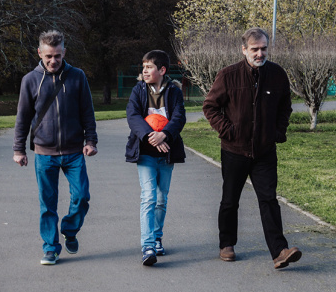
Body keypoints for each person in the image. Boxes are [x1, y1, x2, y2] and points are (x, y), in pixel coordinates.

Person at [202, 27, 302, 269]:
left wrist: (277, 133)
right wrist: (229, 131)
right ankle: (226, 244)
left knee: (268, 199)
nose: (260, 53)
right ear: (244, 49)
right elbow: (210, 107)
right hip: (234, 150)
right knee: (230, 200)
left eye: (264, 48)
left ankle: (279, 251)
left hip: (265, 151)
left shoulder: (277, 74)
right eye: (255, 49)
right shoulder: (228, 75)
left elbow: (284, 107)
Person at [12, 30, 98, 265]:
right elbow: (22, 118)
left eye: (57, 56)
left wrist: (91, 141)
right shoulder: (30, 80)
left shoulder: (77, 76)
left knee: (82, 196)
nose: (53, 61)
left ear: (64, 53)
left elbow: (87, 113)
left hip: (73, 152)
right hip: (44, 153)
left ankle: (69, 230)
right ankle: (50, 247)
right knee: (47, 204)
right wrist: (19, 149)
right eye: (48, 56)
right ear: (40, 53)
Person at [126, 50, 186, 266]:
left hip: (167, 152)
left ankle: (157, 236)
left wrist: (165, 135)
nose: (144, 70)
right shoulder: (138, 91)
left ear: (162, 70)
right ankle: (148, 245)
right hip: (145, 153)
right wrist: (151, 136)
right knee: (149, 197)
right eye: (143, 67)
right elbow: (132, 116)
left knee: (161, 199)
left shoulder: (174, 92)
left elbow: (179, 117)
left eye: (149, 66)